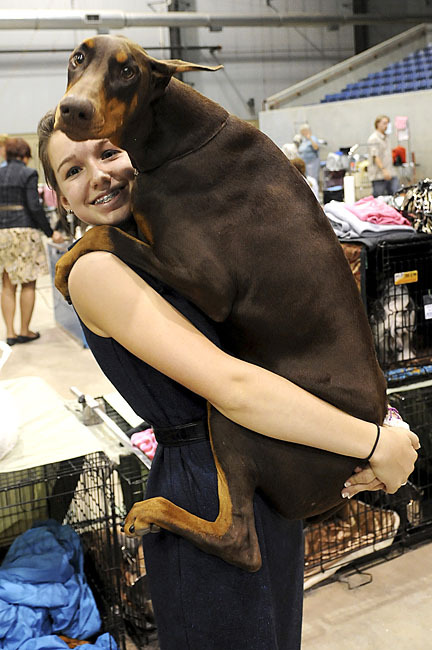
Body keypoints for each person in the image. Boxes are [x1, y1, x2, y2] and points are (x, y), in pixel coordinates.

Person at [38, 110, 418, 650]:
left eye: (108, 152)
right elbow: (233, 385)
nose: (97, 174)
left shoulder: (164, 245)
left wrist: (371, 430)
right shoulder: (95, 269)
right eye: (72, 170)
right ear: (58, 195)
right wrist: (375, 442)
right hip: (204, 493)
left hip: (259, 479)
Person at [0, 138, 61, 346]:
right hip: (25, 231)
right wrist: (50, 232)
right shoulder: (28, 173)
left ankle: (9, 332)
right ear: (25, 156)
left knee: (7, 285)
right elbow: (34, 208)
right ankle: (25, 330)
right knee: (28, 283)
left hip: (2, 234)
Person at [367, 115, 400, 197]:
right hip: (379, 175)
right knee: (380, 199)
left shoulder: (387, 138)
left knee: (396, 196)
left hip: (390, 172)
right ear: (377, 124)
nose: (386, 125)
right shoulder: (374, 139)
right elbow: (375, 156)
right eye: (384, 123)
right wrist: (383, 170)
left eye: (387, 123)